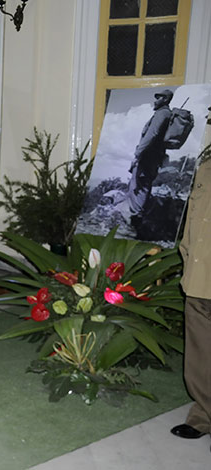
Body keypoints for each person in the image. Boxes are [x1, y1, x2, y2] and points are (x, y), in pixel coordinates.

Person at [170, 105, 211, 446]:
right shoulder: (206, 167)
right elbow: (193, 224)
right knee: (199, 351)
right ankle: (204, 415)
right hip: (200, 277)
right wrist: (188, 260)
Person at [126, 89, 174, 226]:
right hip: (152, 157)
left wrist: (138, 154)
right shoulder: (164, 114)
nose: (155, 100)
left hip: (147, 157)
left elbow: (151, 135)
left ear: (165, 100)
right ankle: (136, 220)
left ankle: (135, 224)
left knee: (140, 187)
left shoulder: (162, 113)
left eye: (159, 97)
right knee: (140, 186)